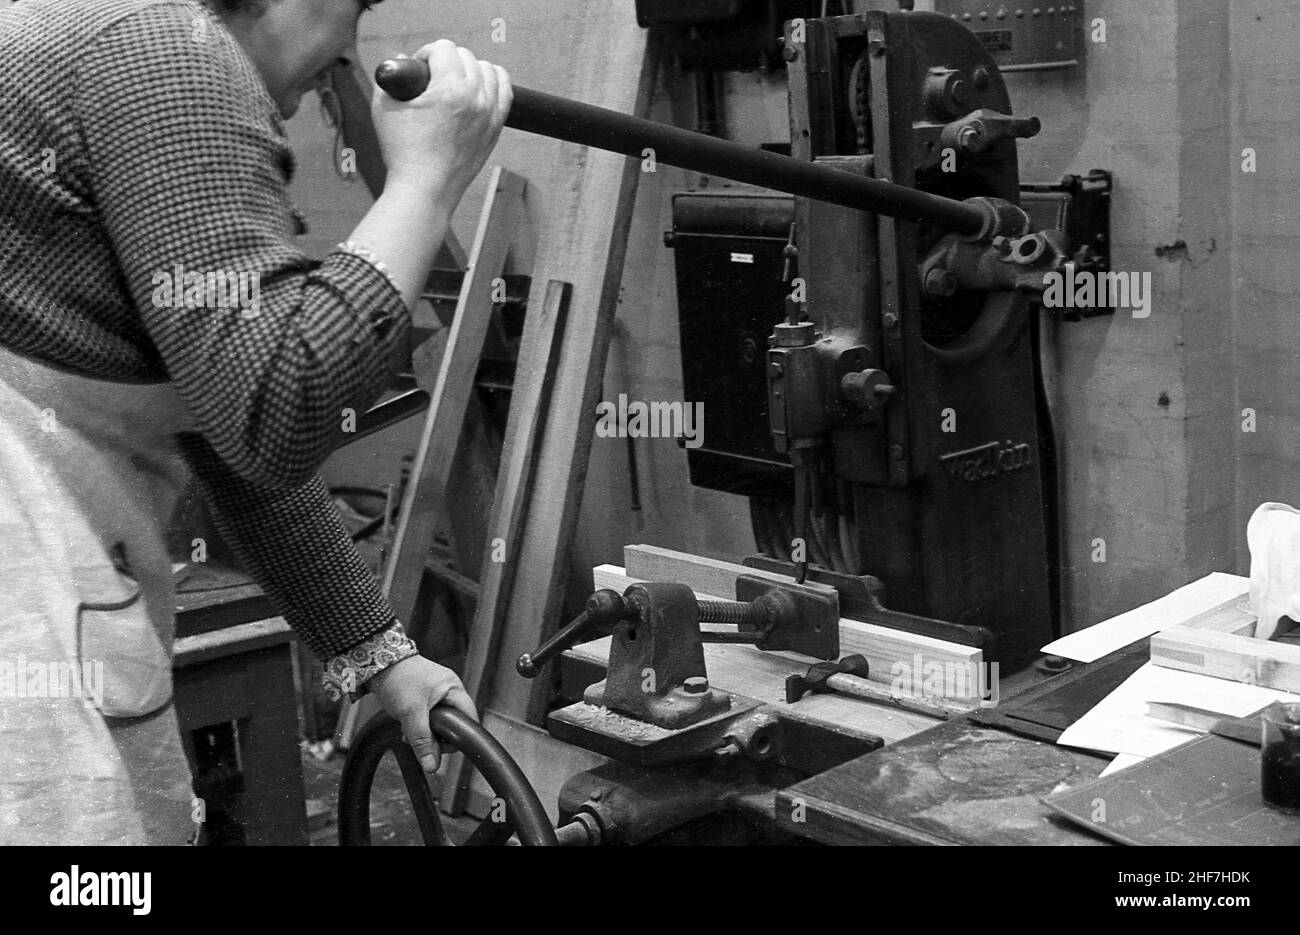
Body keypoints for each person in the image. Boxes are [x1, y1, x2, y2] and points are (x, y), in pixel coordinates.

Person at [0, 0, 511, 844]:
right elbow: (278, 405)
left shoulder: (103, 32)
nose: (345, 57)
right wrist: (426, 182)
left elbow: (224, 417)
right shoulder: (161, 47)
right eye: (350, 9)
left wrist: (377, 651)